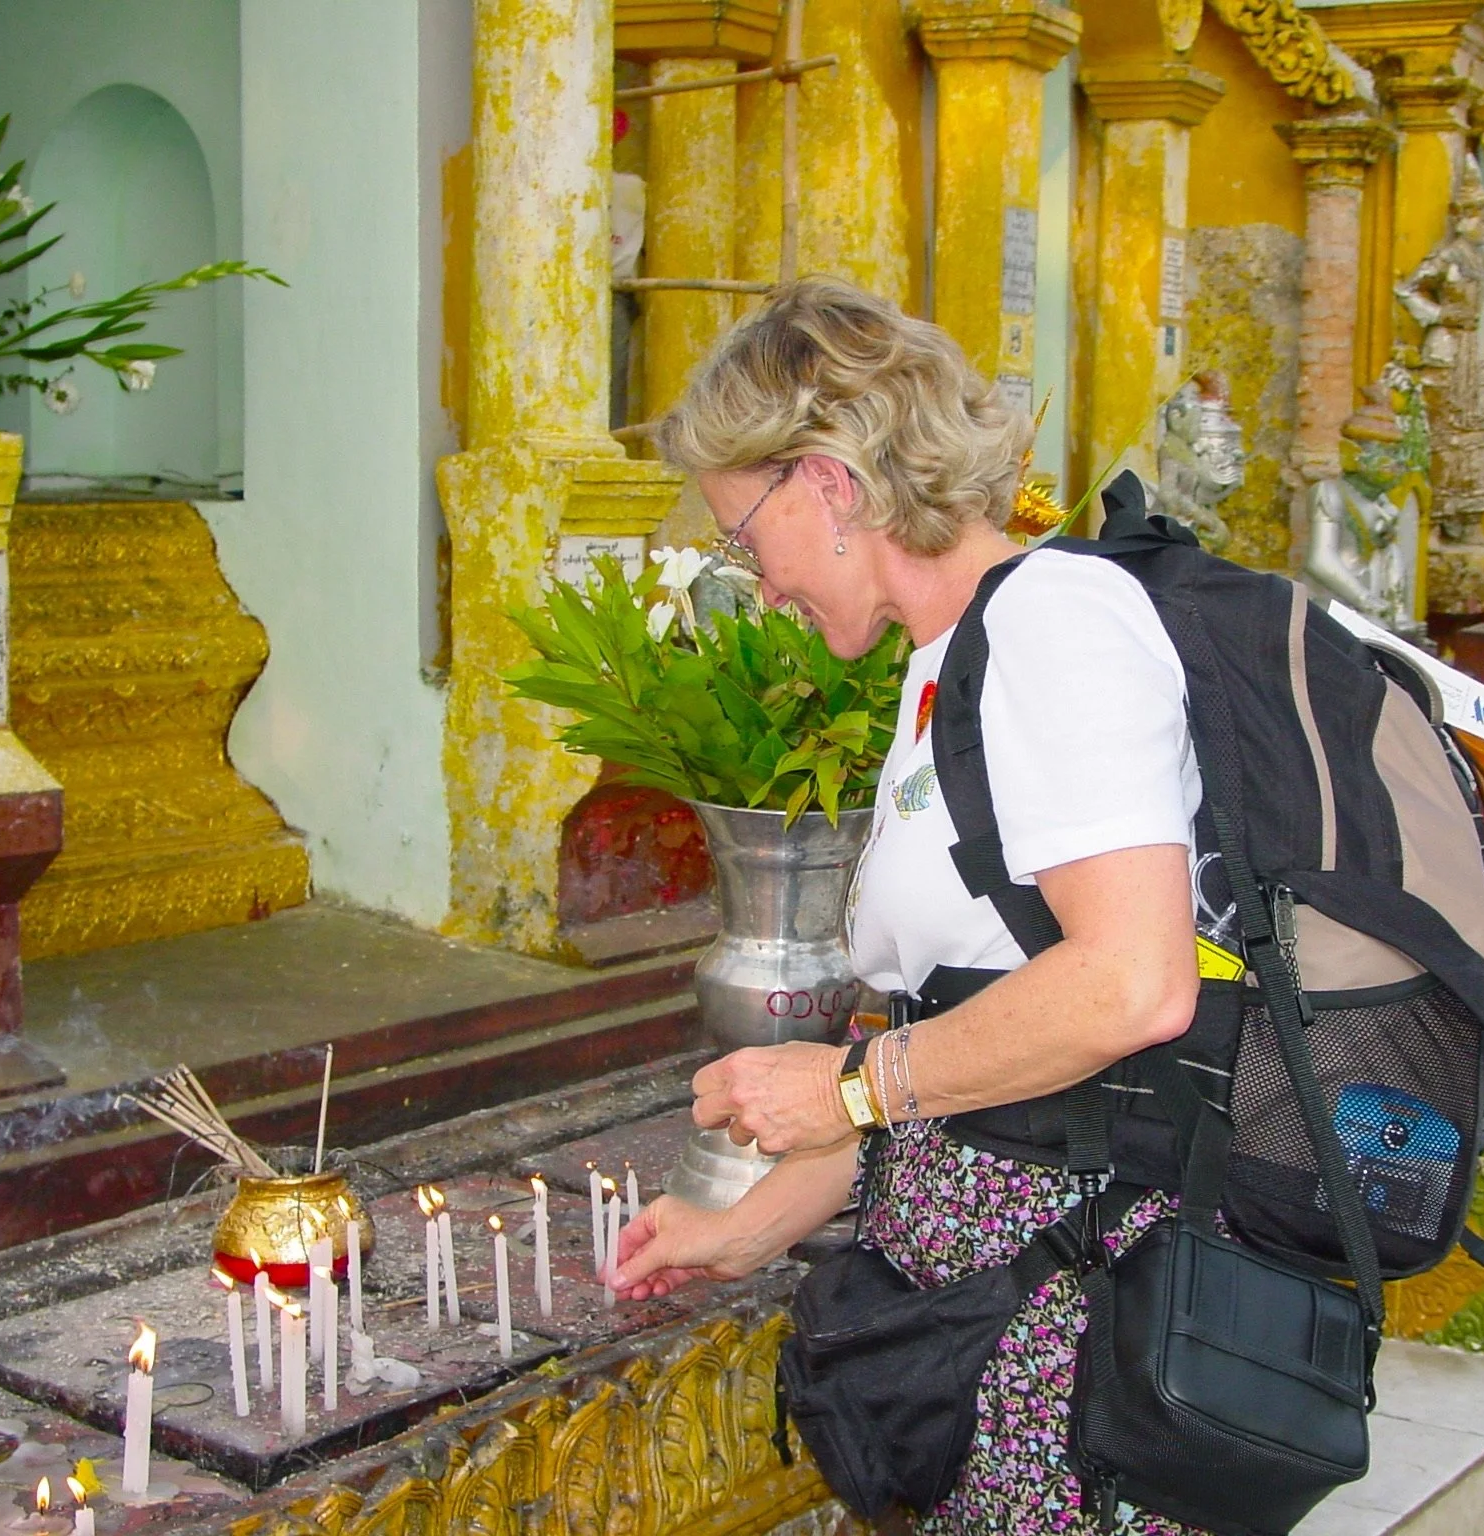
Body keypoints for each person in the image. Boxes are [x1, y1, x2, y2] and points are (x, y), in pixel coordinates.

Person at [615, 276, 1206, 1533]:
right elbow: (950, 1048)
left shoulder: (1053, 623)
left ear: (825, 482)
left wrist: (836, 1089)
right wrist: (746, 1229)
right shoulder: (950, 659)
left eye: (740, 535)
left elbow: (1130, 984)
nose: (755, 584)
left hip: (1078, 1324)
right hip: (988, 1312)